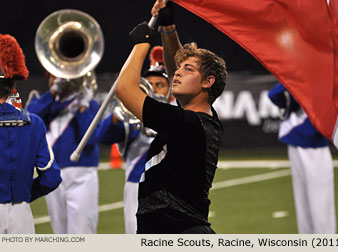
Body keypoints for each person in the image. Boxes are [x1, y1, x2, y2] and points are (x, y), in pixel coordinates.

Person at [114, 0, 227, 233]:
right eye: (178, 68)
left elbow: (124, 89)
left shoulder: (184, 123)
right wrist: (168, 28)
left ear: (208, 82)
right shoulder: (204, 118)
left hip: (176, 232)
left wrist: (141, 44)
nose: (176, 72)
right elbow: (176, 63)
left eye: (188, 70)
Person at [98, 46, 172, 234]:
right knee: (136, 238)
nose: (154, 90)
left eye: (160, 85)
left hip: (171, 185)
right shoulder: (131, 119)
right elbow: (103, 136)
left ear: (170, 91)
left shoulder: (178, 117)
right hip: (137, 185)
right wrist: (118, 112)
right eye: (150, 85)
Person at [0, 34, 62, 234]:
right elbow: (51, 178)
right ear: (12, 87)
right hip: (22, 216)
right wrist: (24, 194)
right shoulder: (33, 123)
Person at [27, 72, 101, 234]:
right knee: (59, 233)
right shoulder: (46, 105)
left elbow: (90, 140)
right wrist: (53, 92)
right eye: (53, 77)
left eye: (61, 77)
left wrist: (83, 107)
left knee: (83, 233)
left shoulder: (90, 105)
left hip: (81, 175)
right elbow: (29, 119)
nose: (58, 81)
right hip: (52, 176)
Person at [268, 82, 336, 234]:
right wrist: (294, 75)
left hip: (311, 143)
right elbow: (274, 96)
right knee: (309, 206)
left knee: (318, 206)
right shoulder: (304, 80)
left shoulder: (321, 79)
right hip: (300, 140)